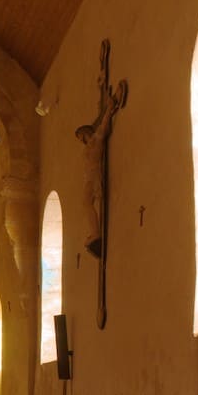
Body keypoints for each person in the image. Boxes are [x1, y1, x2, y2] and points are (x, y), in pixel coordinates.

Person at [77, 39, 128, 258]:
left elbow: (104, 124)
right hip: (90, 175)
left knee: (87, 204)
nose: (81, 140)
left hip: (95, 174)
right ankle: (94, 233)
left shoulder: (97, 139)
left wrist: (110, 108)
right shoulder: (91, 143)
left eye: (82, 135)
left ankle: (96, 233)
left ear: (88, 132)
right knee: (85, 204)